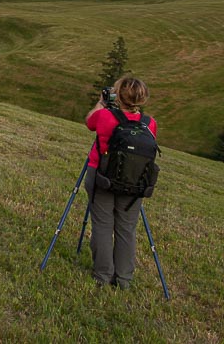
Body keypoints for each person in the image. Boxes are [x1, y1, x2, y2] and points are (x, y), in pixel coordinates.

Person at [84, 76, 158, 288]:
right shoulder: (150, 123)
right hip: (134, 183)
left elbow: (90, 122)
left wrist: (101, 102)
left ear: (120, 95)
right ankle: (124, 279)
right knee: (126, 229)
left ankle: (103, 275)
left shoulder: (105, 116)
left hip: (102, 178)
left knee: (103, 226)